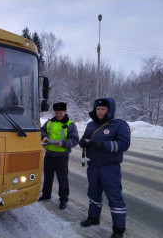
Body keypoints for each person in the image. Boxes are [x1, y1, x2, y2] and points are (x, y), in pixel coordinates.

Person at [78, 98, 130, 238]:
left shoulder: (119, 125)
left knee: (114, 198)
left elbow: (124, 144)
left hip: (110, 168)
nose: (100, 112)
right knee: (93, 193)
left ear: (109, 110)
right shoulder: (91, 125)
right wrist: (82, 142)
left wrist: (103, 145)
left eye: (103, 109)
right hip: (93, 166)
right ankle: (93, 218)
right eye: (98, 109)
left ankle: (118, 230)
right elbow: (85, 139)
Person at [39, 102, 79, 209]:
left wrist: (63, 144)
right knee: (48, 177)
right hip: (48, 155)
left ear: (65, 112)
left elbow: (75, 140)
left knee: (62, 179)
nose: (58, 114)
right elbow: (42, 131)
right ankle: (46, 194)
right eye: (56, 112)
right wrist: (44, 137)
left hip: (61, 157)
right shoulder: (49, 122)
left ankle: (63, 200)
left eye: (60, 112)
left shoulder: (70, 125)